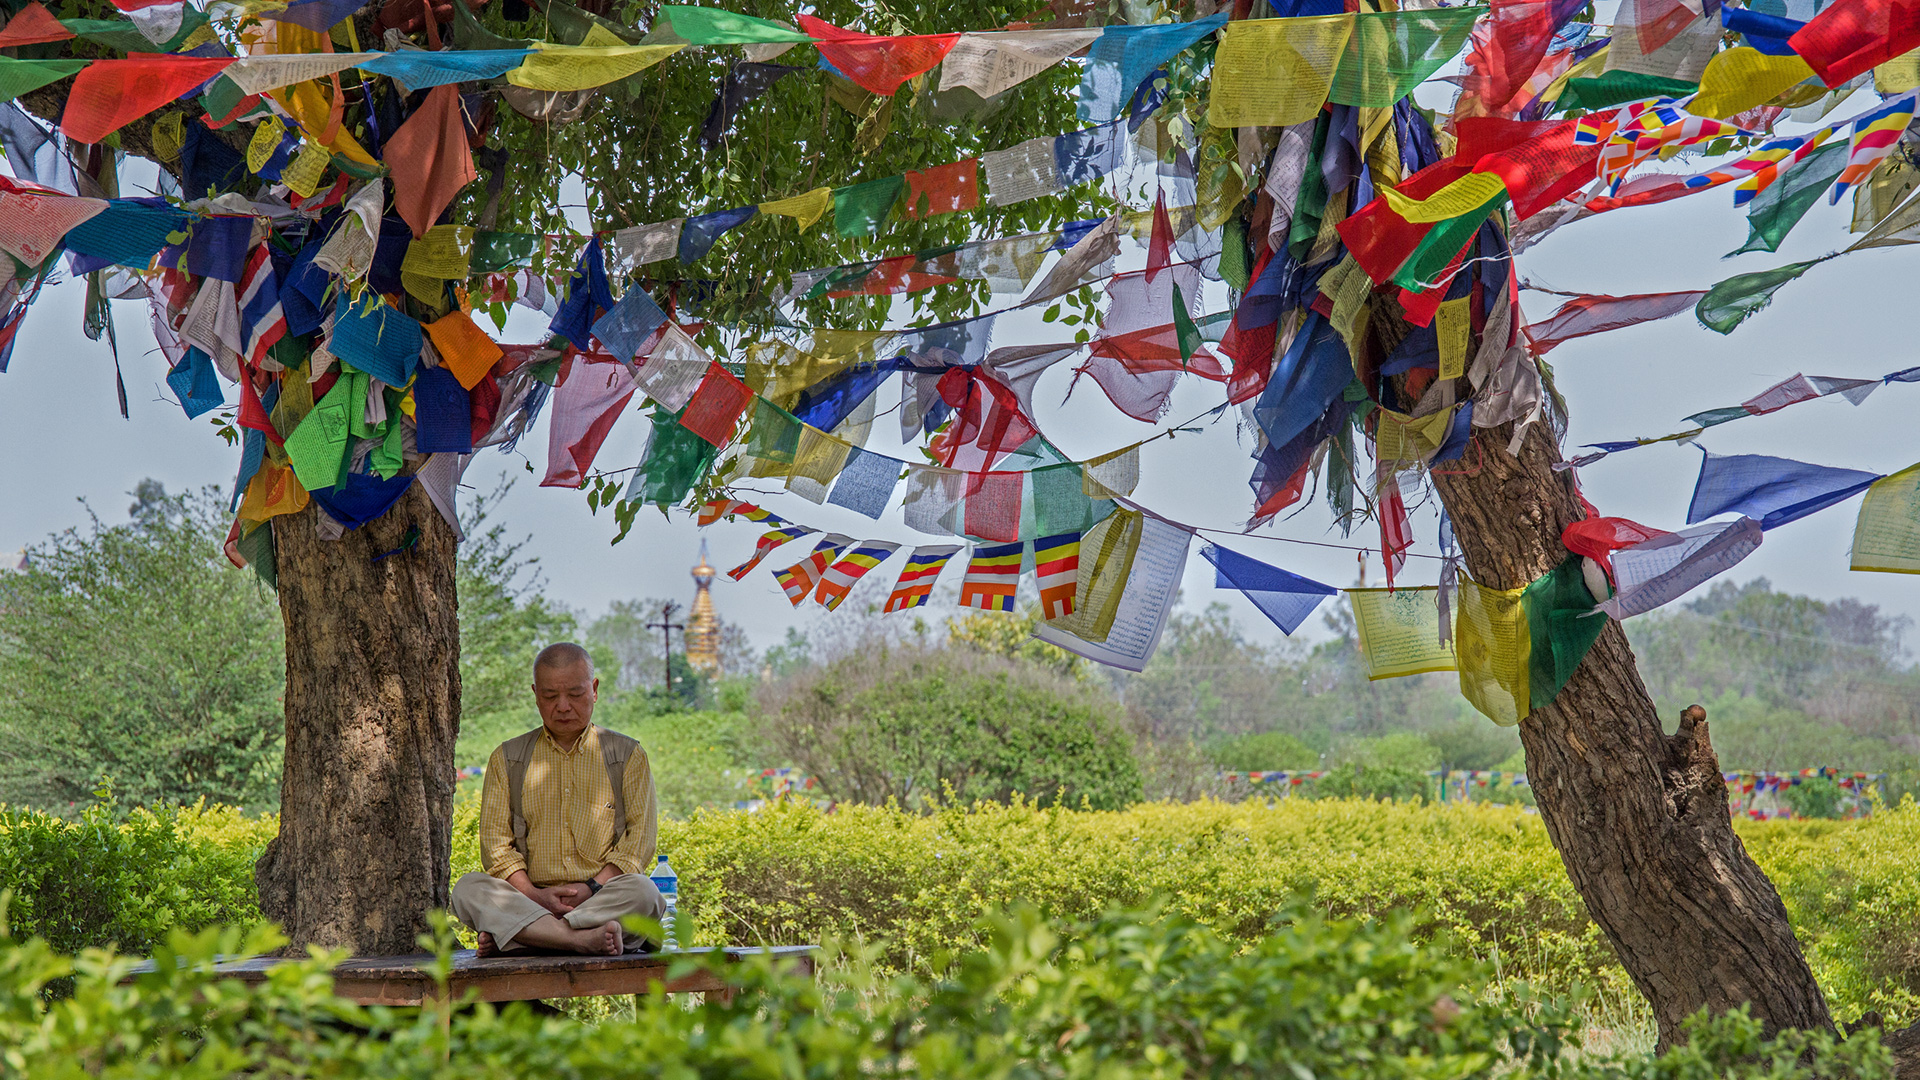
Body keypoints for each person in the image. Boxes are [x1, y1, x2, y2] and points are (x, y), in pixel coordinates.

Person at [451, 642, 666, 956]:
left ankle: (527, 936)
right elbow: (496, 849)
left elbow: (638, 845)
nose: (563, 706)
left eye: (575, 694)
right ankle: (580, 939)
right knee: (468, 889)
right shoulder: (508, 758)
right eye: (550, 696)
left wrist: (590, 888)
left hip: (602, 895)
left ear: (594, 690)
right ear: (535, 694)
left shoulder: (626, 756)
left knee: (643, 892)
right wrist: (535, 896)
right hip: (529, 898)